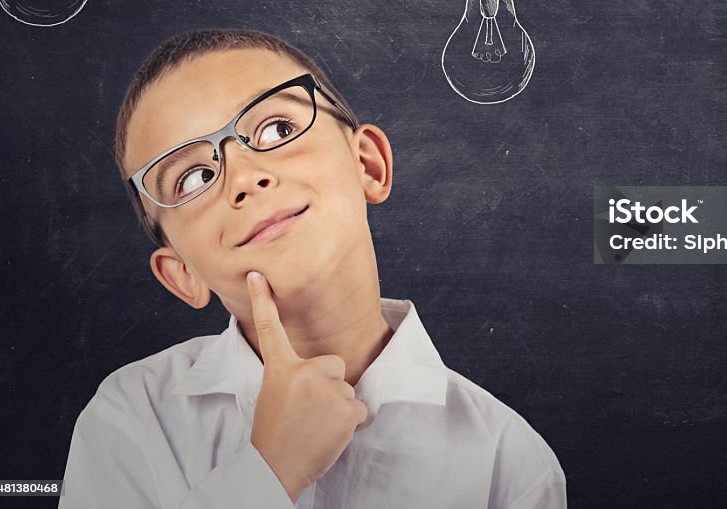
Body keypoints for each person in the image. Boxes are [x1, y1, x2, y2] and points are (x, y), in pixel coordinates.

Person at [59, 29, 566, 509]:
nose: (245, 177)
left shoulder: (509, 463)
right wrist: (269, 469)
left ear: (367, 166)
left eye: (277, 128)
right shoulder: (132, 418)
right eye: (193, 177)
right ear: (182, 274)